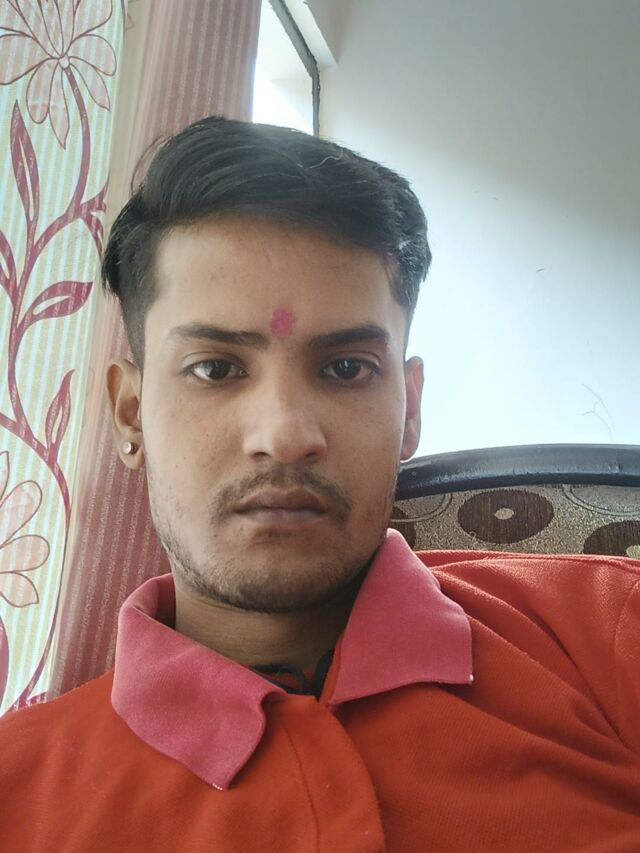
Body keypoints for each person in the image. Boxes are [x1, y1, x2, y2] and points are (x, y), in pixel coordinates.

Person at [0, 116, 638, 852]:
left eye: (345, 368)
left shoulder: (609, 633)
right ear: (129, 414)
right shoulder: (17, 792)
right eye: (215, 368)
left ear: (409, 410)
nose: (284, 435)